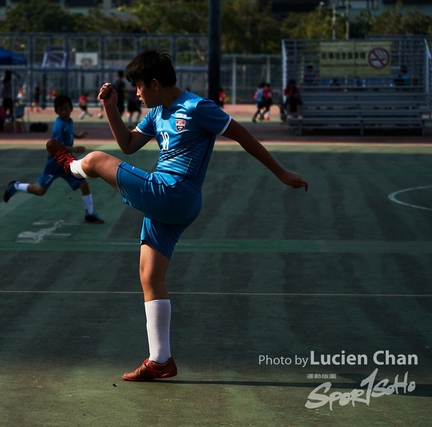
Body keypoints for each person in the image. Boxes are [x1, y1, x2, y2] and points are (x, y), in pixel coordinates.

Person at [44, 49, 308, 381]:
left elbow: (243, 136)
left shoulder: (198, 108)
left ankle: (71, 167)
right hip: (168, 203)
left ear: (154, 83)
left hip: (174, 193)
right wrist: (110, 110)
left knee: (95, 160)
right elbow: (127, 144)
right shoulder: (157, 113)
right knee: (149, 275)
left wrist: (280, 172)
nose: (137, 93)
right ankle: (161, 360)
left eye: (139, 86)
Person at [2, 94, 104, 224]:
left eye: (66, 109)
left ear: (71, 108)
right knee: (40, 191)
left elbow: (68, 133)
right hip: (54, 164)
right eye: (60, 110)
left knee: (83, 184)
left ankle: (89, 214)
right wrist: (74, 149)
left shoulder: (69, 121)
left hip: (67, 163)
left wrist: (77, 135)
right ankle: (15, 186)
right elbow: (57, 145)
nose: (64, 112)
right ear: (56, 111)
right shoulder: (58, 125)